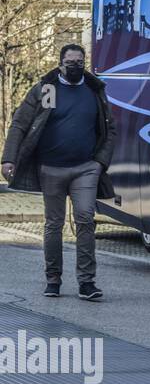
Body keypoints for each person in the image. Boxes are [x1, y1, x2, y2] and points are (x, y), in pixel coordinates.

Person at [1, 45, 116, 301]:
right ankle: (53, 279)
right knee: (54, 224)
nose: (76, 65)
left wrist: (100, 163)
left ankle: (87, 282)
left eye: (80, 61)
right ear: (60, 63)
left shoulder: (94, 91)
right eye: (70, 61)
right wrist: (8, 158)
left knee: (85, 219)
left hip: (86, 168)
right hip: (51, 168)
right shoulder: (47, 89)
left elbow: (110, 130)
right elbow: (20, 123)